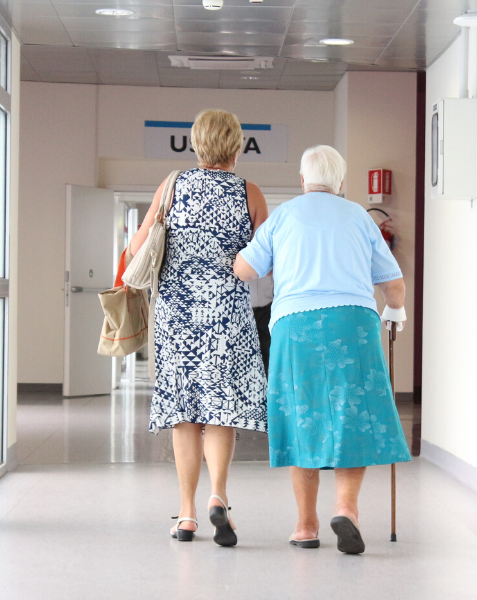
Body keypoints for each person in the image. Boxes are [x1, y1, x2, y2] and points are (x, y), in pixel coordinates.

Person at [234, 145, 411, 555]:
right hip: (354, 323)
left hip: (295, 327)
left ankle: (306, 526)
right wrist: (396, 311)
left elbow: (245, 269)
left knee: (302, 416)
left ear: (302, 180)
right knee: (352, 414)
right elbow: (393, 283)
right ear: (341, 182)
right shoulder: (358, 217)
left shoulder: (284, 215)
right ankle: (346, 510)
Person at [127, 109, 268, 547]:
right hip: (227, 314)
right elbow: (262, 261)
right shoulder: (250, 193)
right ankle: (218, 497)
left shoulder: (172, 186)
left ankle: (186, 514)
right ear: (237, 145)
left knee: (183, 413)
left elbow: (137, 247)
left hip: (177, 315)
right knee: (221, 410)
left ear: (196, 144)